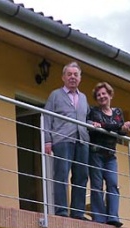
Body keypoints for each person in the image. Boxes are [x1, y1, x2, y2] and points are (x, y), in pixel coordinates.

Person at [44, 61, 91, 219]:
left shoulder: (83, 98)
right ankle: (62, 211)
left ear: (80, 78)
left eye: (75, 75)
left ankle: (78, 212)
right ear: (63, 77)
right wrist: (47, 141)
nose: (72, 77)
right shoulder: (55, 95)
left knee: (81, 176)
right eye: (69, 74)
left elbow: (86, 118)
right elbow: (47, 117)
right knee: (61, 174)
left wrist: (93, 124)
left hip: (82, 141)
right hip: (62, 140)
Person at [87, 82, 130, 228]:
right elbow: (104, 126)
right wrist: (120, 126)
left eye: (104, 94)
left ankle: (113, 216)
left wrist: (123, 129)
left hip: (110, 155)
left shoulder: (117, 112)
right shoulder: (94, 111)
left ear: (110, 95)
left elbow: (117, 131)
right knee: (96, 185)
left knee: (113, 184)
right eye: (99, 95)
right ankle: (99, 217)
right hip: (95, 153)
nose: (101, 97)